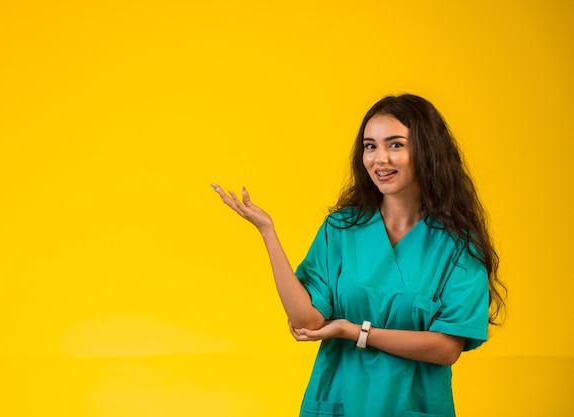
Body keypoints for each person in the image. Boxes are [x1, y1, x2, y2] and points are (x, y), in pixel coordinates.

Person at [211, 93, 506, 417]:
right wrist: (267, 231)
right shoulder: (341, 228)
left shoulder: (457, 246)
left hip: (413, 406)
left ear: (427, 151)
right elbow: (306, 321)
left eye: (395, 145)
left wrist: (354, 331)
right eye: (370, 146)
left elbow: (446, 348)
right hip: (340, 402)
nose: (379, 159)